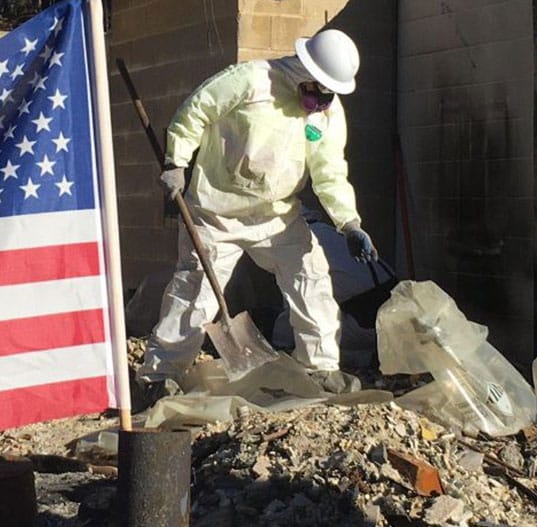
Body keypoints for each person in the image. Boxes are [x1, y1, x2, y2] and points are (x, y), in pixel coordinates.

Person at [139, 28, 378, 391]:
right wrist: (177, 162)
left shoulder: (326, 114)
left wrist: (349, 223)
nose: (323, 98)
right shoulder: (250, 80)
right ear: (304, 69)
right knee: (196, 293)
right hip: (216, 213)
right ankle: (159, 376)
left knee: (310, 279)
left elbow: (330, 170)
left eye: (330, 92)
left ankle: (320, 367)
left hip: (277, 216)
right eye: (318, 88)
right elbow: (195, 112)